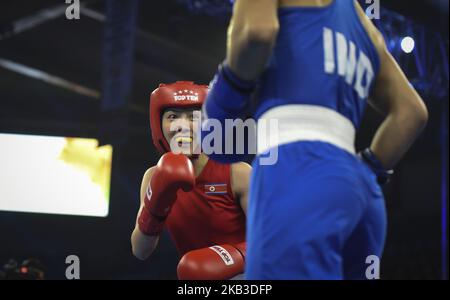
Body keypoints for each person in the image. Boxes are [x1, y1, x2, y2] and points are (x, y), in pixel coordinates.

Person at [202, 0, 428, 279]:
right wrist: (363, 171)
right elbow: (413, 112)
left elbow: (257, 33)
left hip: (296, 171)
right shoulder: (366, 27)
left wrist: (225, 98)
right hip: (360, 194)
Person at [130, 81, 251, 280]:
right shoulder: (153, 176)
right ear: (158, 125)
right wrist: (154, 209)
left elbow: (276, 240)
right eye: (172, 116)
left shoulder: (237, 173)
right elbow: (140, 251)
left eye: (194, 117)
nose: (183, 126)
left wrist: (232, 258)